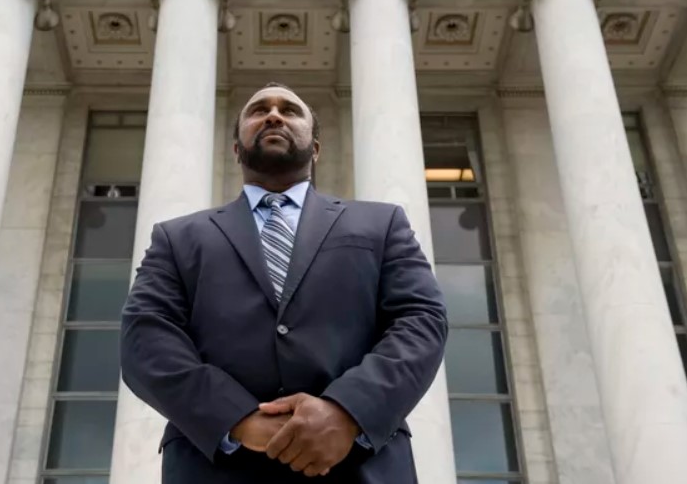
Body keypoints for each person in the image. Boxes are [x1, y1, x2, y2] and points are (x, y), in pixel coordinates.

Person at [120, 82, 448, 483]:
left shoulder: (382, 223)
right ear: (236, 149)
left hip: (359, 463)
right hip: (217, 467)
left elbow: (421, 320)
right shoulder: (176, 238)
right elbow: (146, 339)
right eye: (258, 110)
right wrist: (239, 419)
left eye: (289, 111)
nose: (274, 115)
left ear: (316, 148)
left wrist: (347, 411)